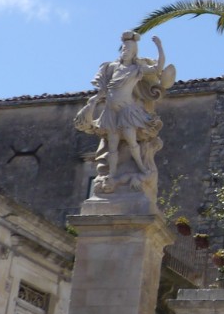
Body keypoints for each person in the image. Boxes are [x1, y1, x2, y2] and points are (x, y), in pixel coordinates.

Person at [76, 31, 177, 198]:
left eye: (129, 50)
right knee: (112, 145)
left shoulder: (136, 69)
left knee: (131, 140)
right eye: (123, 49)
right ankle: (111, 175)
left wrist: (159, 46)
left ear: (134, 52)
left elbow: (158, 68)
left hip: (127, 111)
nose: (125, 51)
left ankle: (142, 168)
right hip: (110, 112)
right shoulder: (111, 67)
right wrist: (95, 100)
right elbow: (104, 89)